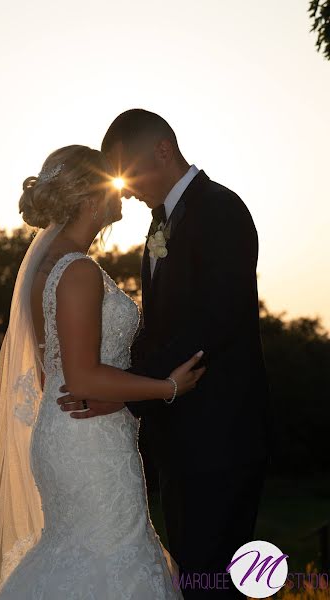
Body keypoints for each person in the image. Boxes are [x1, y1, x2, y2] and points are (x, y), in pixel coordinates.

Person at [0, 143, 206, 600]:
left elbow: (50, 375)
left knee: (84, 554)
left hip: (73, 429)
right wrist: (169, 386)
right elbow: (82, 379)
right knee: (111, 556)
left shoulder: (51, 264)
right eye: (113, 181)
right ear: (92, 196)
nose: (124, 189)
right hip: (88, 441)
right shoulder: (77, 271)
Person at [58, 111, 274, 599]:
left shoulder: (219, 209)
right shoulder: (162, 222)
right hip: (181, 436)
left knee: (212, 581)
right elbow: (160, 328)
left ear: (162, 150)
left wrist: (131, 393)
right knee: (193, 577)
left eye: (129, 174)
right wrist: (129, 384)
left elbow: (213, 323)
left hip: (221, 435)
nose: (126, 190)